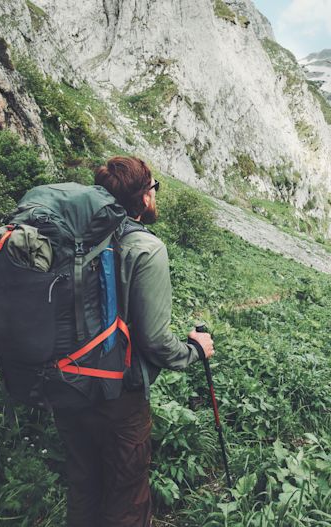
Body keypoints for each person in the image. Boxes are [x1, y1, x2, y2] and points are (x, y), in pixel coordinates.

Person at [53, 156, 214, 527]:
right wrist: (194, 351)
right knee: (126, 493)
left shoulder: (75, 235)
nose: (155, 196)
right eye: (154, 188)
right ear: (143, 198)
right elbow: (155, 341)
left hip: (66, 383)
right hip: (118, 395)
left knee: (83, 485)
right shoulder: (145, 248)